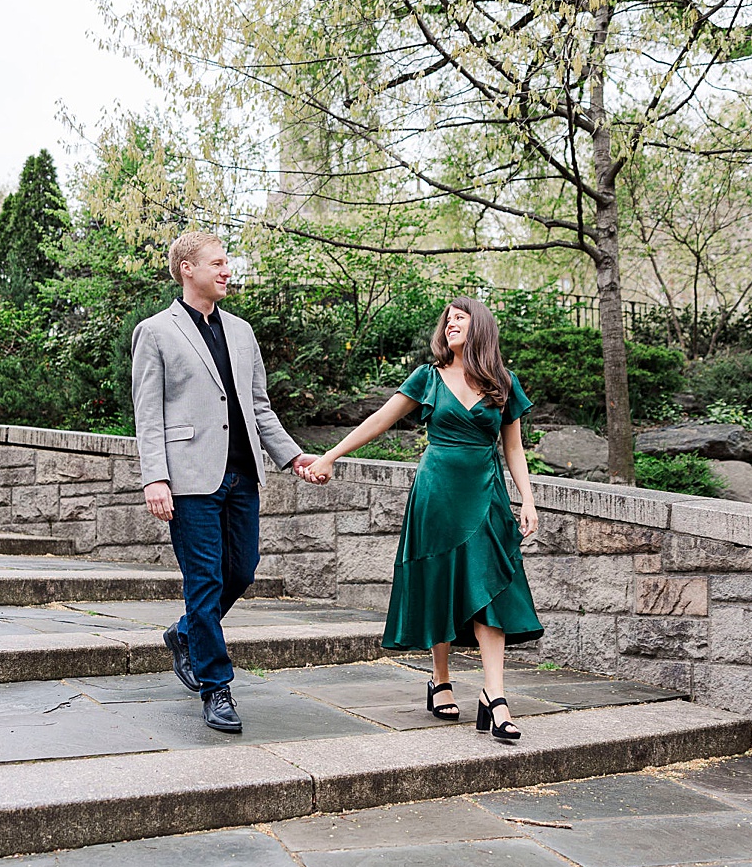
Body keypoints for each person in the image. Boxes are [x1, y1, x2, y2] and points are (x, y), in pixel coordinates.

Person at [300, 297, 542, 742]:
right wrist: (331, 455)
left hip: (485, 494)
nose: (450, 324)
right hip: (436, 494)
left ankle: (496, 696)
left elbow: (513, 449)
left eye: (460, 318)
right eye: (447, 319)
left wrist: (527, 500)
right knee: (440, 581)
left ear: (480, 326)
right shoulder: (428, 377)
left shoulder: (503, 383)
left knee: (490, 586)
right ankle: (441, 679)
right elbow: (380, 420)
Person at [131, 231, 316, 733]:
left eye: (226, 262)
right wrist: (156, 478)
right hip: (189, 479)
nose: (226, 270)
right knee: (206, 579)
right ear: (187, 268)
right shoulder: (156, 331)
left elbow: (259, 406)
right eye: (216, 263)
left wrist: (293, 456)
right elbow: (148, 414)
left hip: (242, 474)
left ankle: (185, 632)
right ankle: (216, 686)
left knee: (242, 571)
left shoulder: (241, 331)